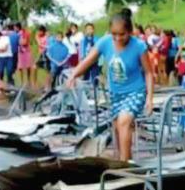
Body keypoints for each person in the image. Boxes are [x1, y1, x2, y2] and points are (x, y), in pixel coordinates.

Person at [66, 9, 154, 161]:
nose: (118, 38)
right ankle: (123, 159)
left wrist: (150, 98)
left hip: (135, 91)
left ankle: (125, 166)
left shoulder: (139, 46)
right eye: (114, 34)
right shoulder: (105, 42)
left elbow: (148, 73)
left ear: (130, 32)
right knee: (118, 130)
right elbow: (88, 60)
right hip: (115, 93)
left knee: (124, 122)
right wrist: (74, 74)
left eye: (122, 34)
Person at [16, 23, 35, 88]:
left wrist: (20, 42)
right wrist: (20, 42)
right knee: (20, 67)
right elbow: (19, 42)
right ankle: (21, 82)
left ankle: (28, 81)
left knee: (28, 66)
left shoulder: (27, 33)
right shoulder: (18, 34)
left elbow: (25, 42)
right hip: (21, 52)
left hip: (27, 51)